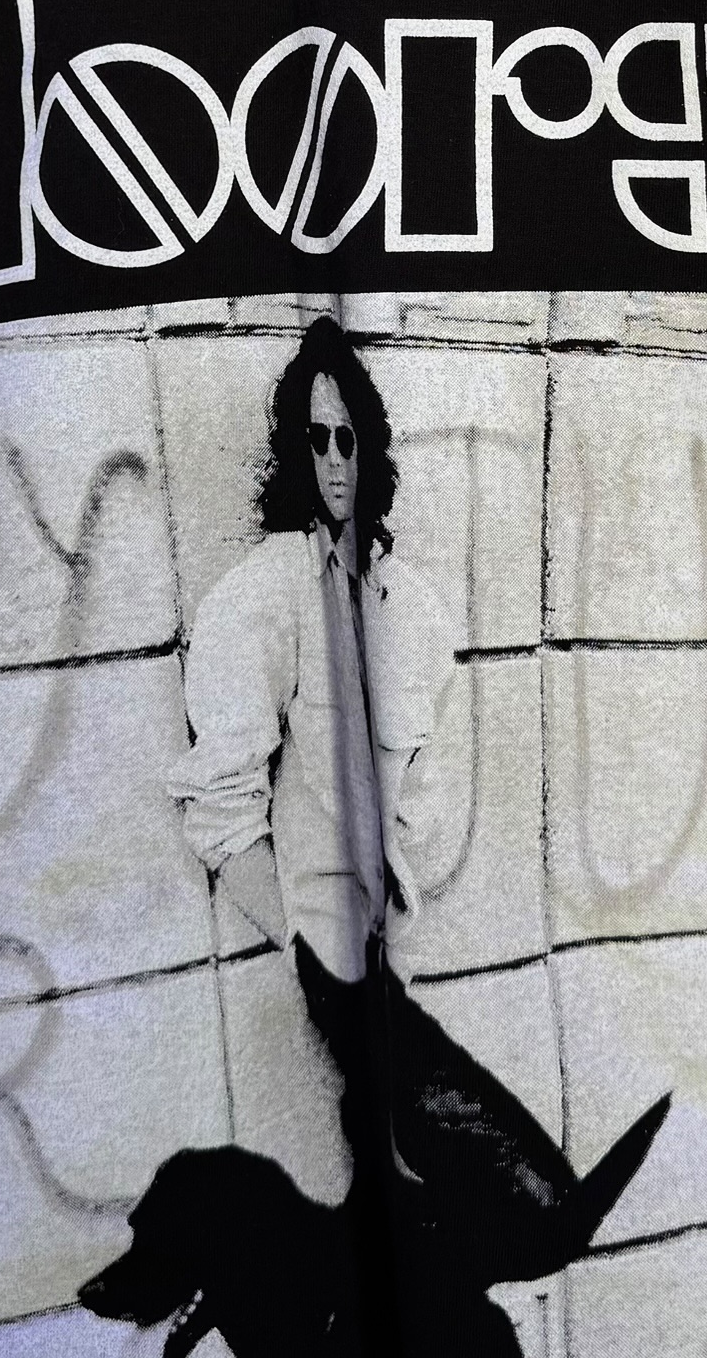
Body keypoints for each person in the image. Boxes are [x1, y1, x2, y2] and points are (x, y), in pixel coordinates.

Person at [168, 315, 461, 988]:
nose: (334, 460)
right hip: (321, 969)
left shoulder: (409, 604)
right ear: (296, 450)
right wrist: (305, 952)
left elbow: (426, 784)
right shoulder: (264, 595)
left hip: (400, 956)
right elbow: (219, 804)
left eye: (347, 440)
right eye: (317, 438)